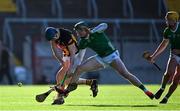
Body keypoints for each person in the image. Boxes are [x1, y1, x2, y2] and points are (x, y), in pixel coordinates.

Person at [60, 21, 154, 100]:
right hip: (100, 58)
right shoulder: (83, 42)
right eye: (77, 32)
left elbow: (105, 25)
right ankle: (67, 91)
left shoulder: (97, 31)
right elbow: (80, 57)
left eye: (79, 31)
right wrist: (72, 69)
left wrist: (93, 31)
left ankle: (146, 91)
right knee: (79, 69)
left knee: (126, 74)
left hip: (112, 56)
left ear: (85, 29)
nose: (78, 34)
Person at [45, 27, 98, 105]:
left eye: (53, 39)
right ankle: (91, 82)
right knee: (66, 80)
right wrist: (62, 62)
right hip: (66, 55)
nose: (53, 41)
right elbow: (55, 52)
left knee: (60, 77)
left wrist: (70, 67)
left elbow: (73, 52)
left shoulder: (66, 35)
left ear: (56, 33)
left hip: (76, 55)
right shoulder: (53, 37)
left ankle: (60, 98)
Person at [147, 11, 180, 104]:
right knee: (169, 72)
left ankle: (166, 97)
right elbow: (164, 44)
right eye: (166, 20)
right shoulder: (167, 31)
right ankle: (162, 88)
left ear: (175, 20)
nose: (167, 22)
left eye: (169, 20)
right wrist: (154, 56)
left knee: (177, 79)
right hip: (174, 55)